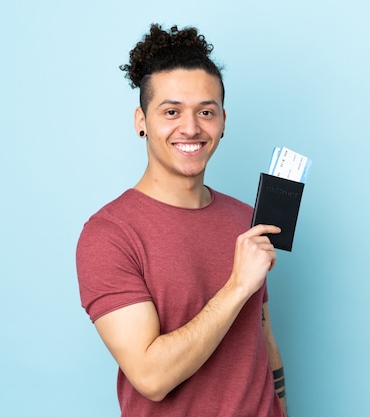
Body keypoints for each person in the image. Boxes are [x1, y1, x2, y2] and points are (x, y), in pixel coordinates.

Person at [76, 24, 288, 417]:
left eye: (205, 112)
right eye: (171, 111)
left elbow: (262, 337)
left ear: (223, 121)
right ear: (141, 120)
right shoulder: (109, 235)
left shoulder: (246, 218)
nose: (190, 128)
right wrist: (238, 285)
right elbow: (152, 378)